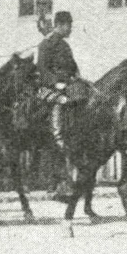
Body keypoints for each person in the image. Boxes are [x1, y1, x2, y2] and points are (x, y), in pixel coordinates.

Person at [36, 10, 79, 154]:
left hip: (67, 86)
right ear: (60, 25)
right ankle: (58, 137)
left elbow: (73, 68)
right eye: (69, 25)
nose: (71, 29)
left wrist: (77, 79)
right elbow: (42, 69)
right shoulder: (46, 44)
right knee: (61, 101)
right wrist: (56, 83)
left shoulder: (64, 46)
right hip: (47, 88)